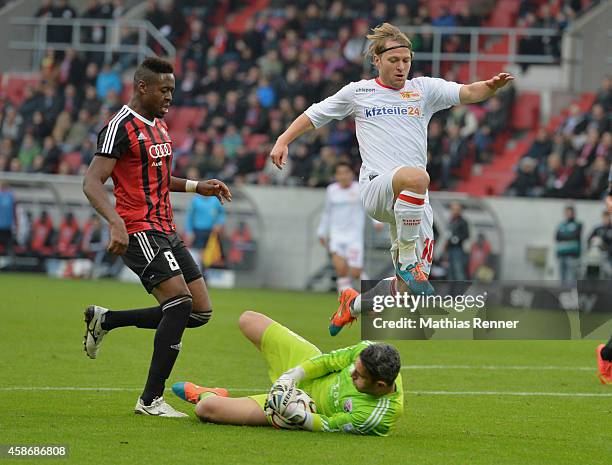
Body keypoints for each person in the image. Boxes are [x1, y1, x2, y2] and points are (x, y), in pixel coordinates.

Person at [269, 23, 513, 335]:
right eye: (394, 61)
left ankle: (352, 305)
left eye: (406, 61)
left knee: (406, 289)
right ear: (377, 60)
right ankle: (409, 258)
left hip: (414, 202)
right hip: (377, 188)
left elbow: (467, 92)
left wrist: (491, 86)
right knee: (417, 177)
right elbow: (315, 114)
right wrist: (283, 140)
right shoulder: (358, 93)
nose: (401, 67)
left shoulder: (423, 90)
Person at [81, 57, 232, 417]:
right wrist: (116, 222)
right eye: (164, 90)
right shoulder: (120, 126)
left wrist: (198, 187)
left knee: (198, 312)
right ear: (142, 86)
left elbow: (159, 178)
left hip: (166, 228)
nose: (169, 97)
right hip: (137, 228)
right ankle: (150, 400)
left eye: (172, 91)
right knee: (178, 304)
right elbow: (91, 182)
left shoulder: (160, 127)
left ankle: (107, 320)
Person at [171, 311, 404, 435]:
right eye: (355, 368)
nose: (352, 373)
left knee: (206, 410)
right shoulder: (367, 350)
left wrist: (294, 413)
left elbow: (330, 425)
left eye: (360, 376)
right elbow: (329, 361)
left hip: (303, 404)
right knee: (248, 320)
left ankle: (207, 392)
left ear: (381, 386)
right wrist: (294, 375)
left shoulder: (375, 416)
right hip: (307, 369)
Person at [317, 161, 378, 293]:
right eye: (340, 173)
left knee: (356, 272)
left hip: (354, 238)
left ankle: (372, 295)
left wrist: (376, 221)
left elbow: (369, 206)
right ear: (336, 176)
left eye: (346, 173)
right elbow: (327, 212)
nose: (343, 176)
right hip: (336, 236)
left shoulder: (360, 188)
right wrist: (322, 232)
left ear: (352, 174)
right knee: (341, 271)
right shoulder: (331, 190)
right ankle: (345, 304)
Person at [555, 205, 582, 286]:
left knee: (572, 276)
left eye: (570, 212)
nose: (568, 214)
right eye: (567, 212)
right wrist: (567, 235)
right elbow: (557, 236)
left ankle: (572, 293)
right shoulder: (561, 224)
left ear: (573, 213)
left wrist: (564, 235)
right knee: (562, 276)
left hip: (572, 254)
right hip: (562, 253)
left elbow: (575, 235)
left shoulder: (578, 224)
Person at [446, 201, 470, 281]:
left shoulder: (463, 222)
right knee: (451, 270)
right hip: (450, 248)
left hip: (458, 249)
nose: (454, 211)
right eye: (453, 209)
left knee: (458, 269)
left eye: (456, 209)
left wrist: (457, 238)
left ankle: (460, 289)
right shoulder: (451, 221)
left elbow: (466, 235)